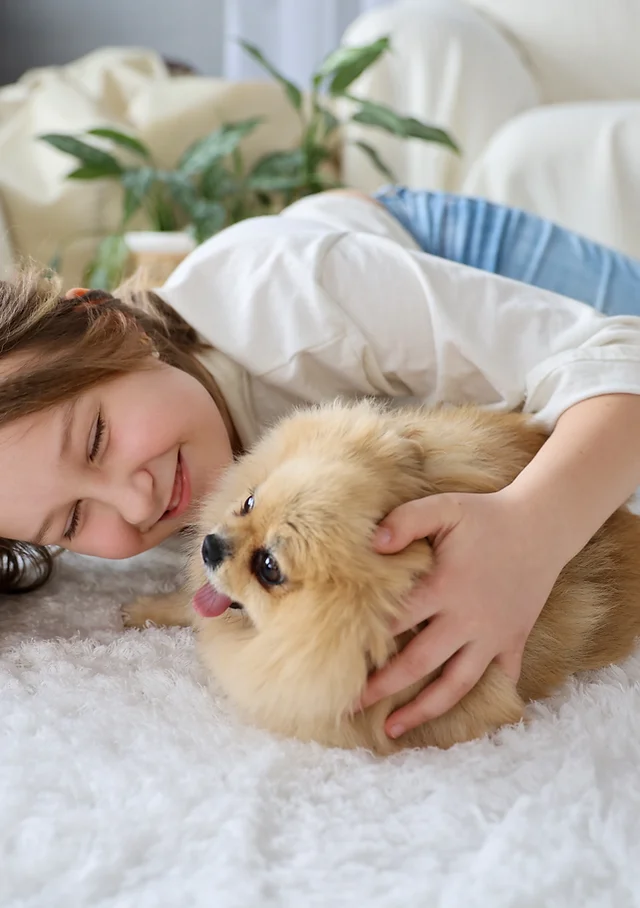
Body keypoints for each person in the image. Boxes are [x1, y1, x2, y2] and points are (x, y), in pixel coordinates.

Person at [2, 187, 640, 743]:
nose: (137, 503)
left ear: (107, 324)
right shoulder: (76, 472)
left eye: (95, 439)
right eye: (74, 519)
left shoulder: (298, 301)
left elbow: (621, 358)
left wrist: (529, 530)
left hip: (461, 255)